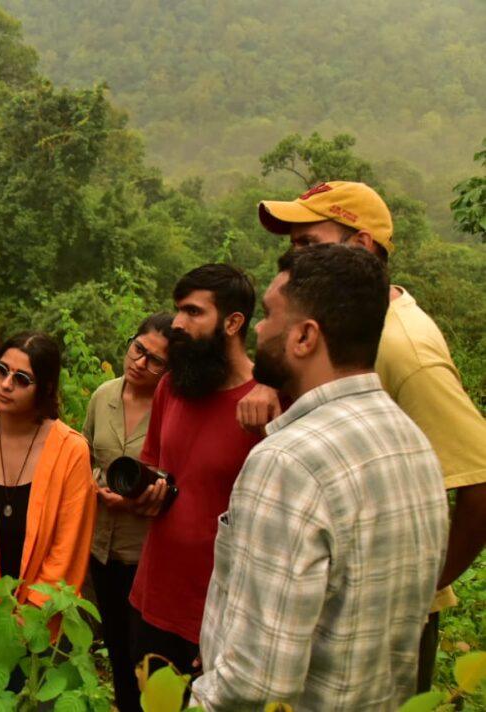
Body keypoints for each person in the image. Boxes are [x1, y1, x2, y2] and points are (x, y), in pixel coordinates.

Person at [244, 180, 486, 689]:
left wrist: (423, 586)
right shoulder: (336, 329)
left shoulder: (404, 347)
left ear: (362, 246)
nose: (295, 260)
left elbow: (479, 480)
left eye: (309, 243)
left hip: (383, 618)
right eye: (293, 245)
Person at [194, 244, 450, 709]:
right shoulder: (412, 442)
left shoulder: (289, 463)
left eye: (270, 314)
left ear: (304, 337)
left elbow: (256, 684)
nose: (259, 328)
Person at [126, 264, 262, 711]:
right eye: (177, 310)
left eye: (193, 312)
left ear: (233, 322)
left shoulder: (266, 405)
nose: (178, 324)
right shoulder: (171, 387)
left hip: (220, 615)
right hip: (153, 599)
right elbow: (158, 468)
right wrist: (146, 497)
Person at [0, 332, 96, 705]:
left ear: (45, 388)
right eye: (1, 370)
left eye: (21, 378)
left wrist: (29, 619)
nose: (6, 384)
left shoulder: (71, 451)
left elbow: (69, 546)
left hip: (43, 623)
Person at [81, 313, 173, 711]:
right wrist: (93, 484)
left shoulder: (172, 409)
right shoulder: (103, 396)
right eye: (138, 349)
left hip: (146, 552)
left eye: (155, 361)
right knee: (116, 648)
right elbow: (82, 454)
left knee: (147, 656)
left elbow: (176, 479)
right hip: (101, 548)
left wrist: (135, 501)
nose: (140, 363)